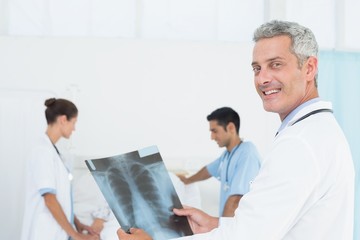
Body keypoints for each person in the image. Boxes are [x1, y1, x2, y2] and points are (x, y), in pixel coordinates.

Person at [116, 20, 355, 240]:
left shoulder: (300, 143)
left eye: (276, 65)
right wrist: (215, 224)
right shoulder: (317, 131)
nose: (262, 79)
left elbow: (247, 236)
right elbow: (263, 224)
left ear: (309, 68)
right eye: (257, 68)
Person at [21, 98, 100, 240]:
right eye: (74, 123)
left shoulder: (53, 153)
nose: (74, 129)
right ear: (63, 120)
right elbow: (50, 200)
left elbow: (61, 199)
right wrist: (75, 235)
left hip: (54, 232)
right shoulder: (42, 151)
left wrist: (77, 223)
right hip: (44, 232)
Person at [177, 107, 261, 217]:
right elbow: (207, 170)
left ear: (231, 127)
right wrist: (188, 180)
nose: (212, 137)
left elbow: (236, 199)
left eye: (215, 131)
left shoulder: (247, 153)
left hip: (240, 227)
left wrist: (222, 230)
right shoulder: (227, 155)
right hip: (229, 224)